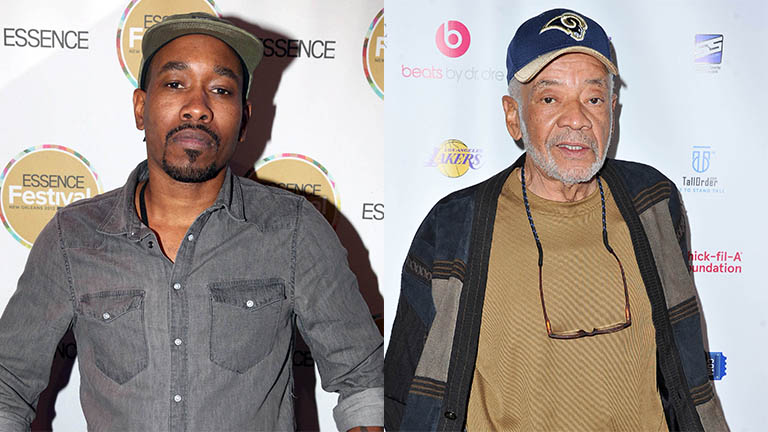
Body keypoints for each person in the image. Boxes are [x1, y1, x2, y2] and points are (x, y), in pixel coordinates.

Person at [0, 13, 383, 431]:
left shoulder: (293, 230)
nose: (197, 107)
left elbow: (362, 381)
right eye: (175, 84)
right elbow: (8, 385)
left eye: (220, 90)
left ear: (244, 118)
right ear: (140, 108)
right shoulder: (73, 237)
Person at [384, 8, 727, 432]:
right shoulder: (454, 226)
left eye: (593, 99)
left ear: (612, 110)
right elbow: (407, 385)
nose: (577, 119)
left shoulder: (653, 203)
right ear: (513, 115)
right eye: (550, 98)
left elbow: (686, 371)